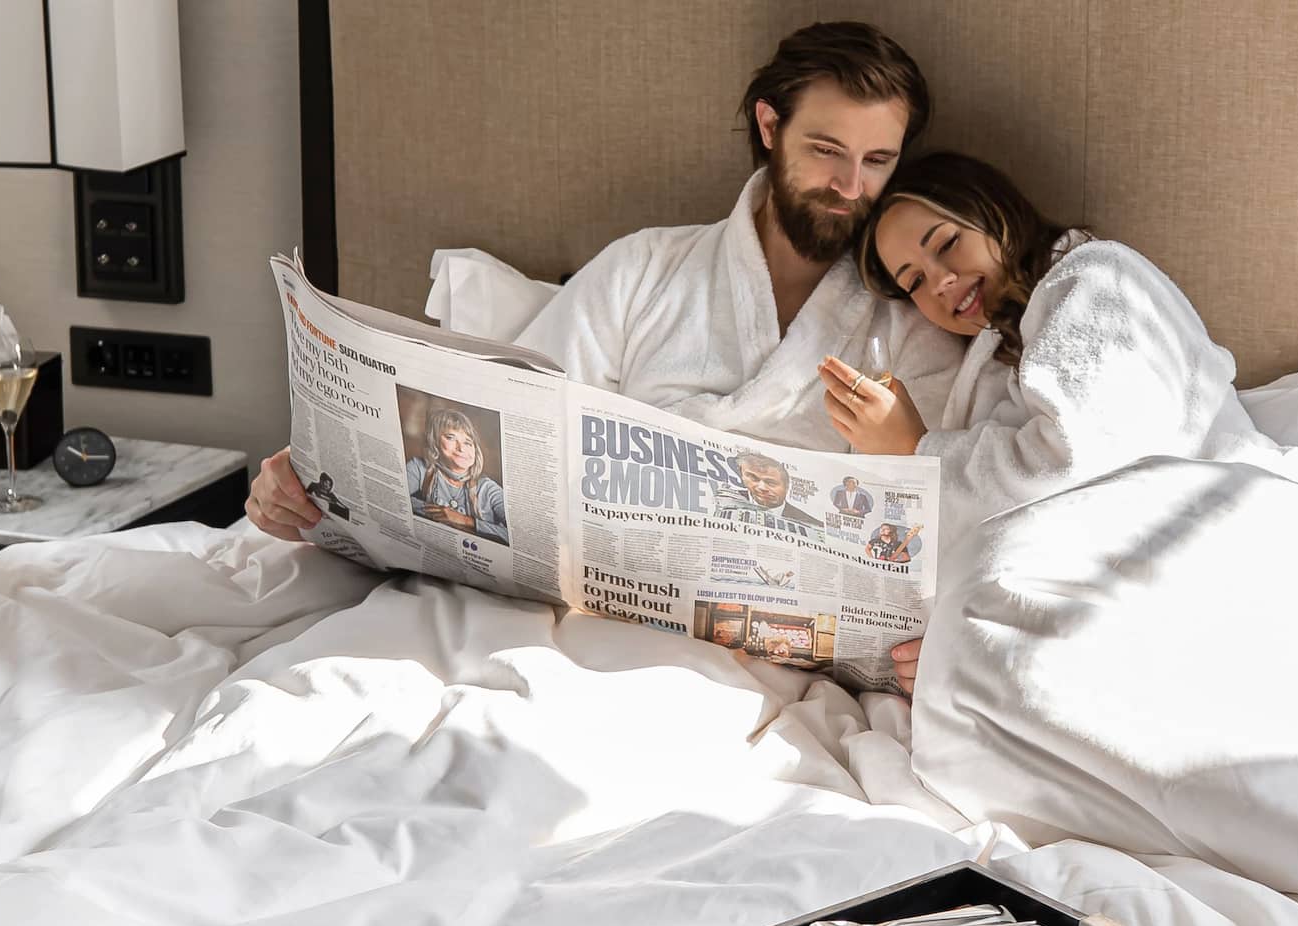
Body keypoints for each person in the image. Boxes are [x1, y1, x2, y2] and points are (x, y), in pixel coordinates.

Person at [246, 22, 965, 541]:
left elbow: (944, 515)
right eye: (828, 150)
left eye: (877, 161)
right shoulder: (644, 270)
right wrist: (316, 472)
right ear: (771, 127)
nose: (850, 186)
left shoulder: (909, 320)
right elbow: (504, 429)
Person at [822, 151, 1298, 692]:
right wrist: (952, 636)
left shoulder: (1095, 280)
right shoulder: (998, 359)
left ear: (993, 211)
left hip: (1214, 551)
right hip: (1110, 594)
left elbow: (1070, 468)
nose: (940, 282)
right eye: (914, 281)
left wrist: (915, 448)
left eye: (946, 244)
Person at [406, 406, 509, 545]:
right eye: (451, 438)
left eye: (468, 442)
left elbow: (517, 538)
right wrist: (441, 514)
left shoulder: (488, 489)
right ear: (434, 441)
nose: (461, 448)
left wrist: (464, 520)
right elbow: (394, 496)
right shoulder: (420, 468)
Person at [714, 452, 823, 535]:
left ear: (786, 487)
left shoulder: (813, 525)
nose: (761, 488)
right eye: (754, 478)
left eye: (771, 483)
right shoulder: (725, 499)